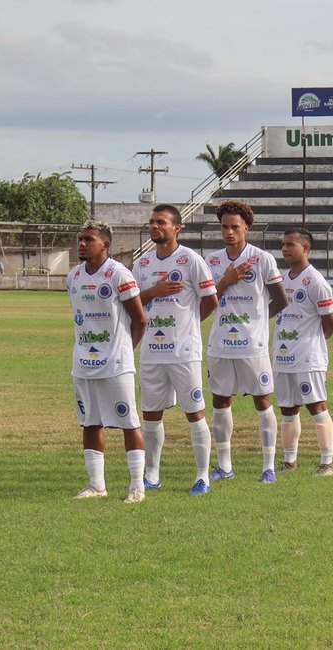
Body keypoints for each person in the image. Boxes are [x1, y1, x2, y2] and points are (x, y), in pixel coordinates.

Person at [133, 204, 218, 495]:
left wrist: (188, 325)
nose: (155, 227)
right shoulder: (142, 264)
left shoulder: (191, 260)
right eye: (152, 222)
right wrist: (152, 292)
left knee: (194, 413)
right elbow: (134, 305)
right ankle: (152, 475)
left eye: (161, 222)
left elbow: (210, 299)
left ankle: (203, 476)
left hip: (184, 353)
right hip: (152, 353)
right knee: (151, 415)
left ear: (176, 228)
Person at [205, 200, 288, 483]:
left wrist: (259, 323)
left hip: (252, 346)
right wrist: (225, 281)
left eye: (235, 227)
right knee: (220, 401)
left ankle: (269, 467)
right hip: (220, 344)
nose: (229, 232)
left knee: (263, 401)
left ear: (246, 229)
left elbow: (281, 299)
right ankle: (225, 466)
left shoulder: (262, 259)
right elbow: (207, 301)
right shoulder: (212, 261)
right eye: (225, 227)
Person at [67, 219, 148, 503]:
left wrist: (125, 349)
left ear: (106, 245)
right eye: (81, 238)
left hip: (116, 365)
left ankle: (137, 486)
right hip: (83, 363)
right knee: (90, 422)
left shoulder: (119, 274)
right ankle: (96, 485)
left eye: (89, 239)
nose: (82, 244)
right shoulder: (74, 276)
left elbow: (140, 319)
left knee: (129, 423)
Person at [273, 227, 333, 476]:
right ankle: (289, 461)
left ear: (306, 248)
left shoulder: (315, 281)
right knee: (288, 408)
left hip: (307, 357)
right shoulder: (282, 279)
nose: (285, 249)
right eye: (284, 244)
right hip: (282, 355)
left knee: (316, 406)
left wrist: (312, 345)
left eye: (291, 244)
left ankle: (327, 462)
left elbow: (330, 323)